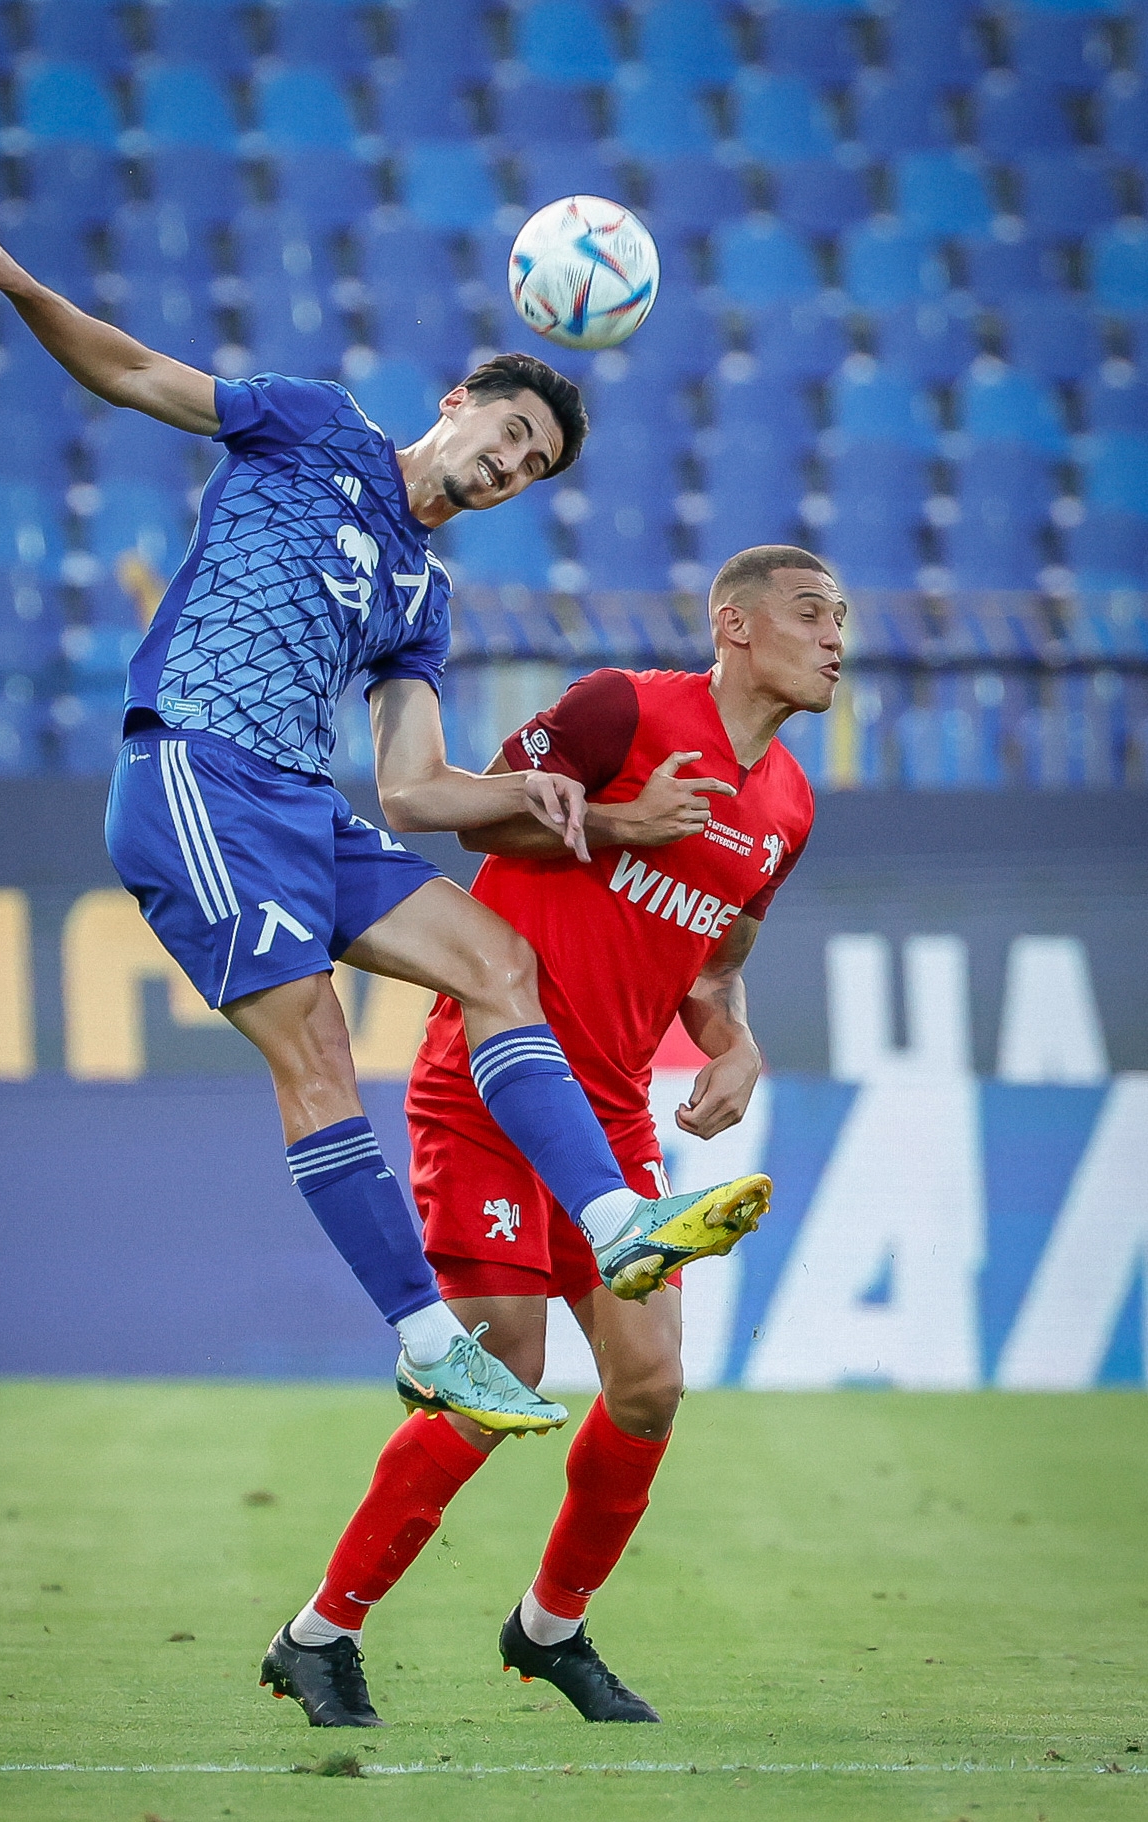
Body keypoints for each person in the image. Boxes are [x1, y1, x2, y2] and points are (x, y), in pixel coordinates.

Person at [0, 180, 763, 1437]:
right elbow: (139, 375)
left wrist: (541, 796)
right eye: (510, 433)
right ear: (457, 403)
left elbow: (416, 789)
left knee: (498, 960)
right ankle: (428, 1341)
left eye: (533, 466)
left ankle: (614, 1222)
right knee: (316, 1047)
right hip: (195, 776)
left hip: (303, 805)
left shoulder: (423, 597)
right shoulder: (315, 426)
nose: (510, 466)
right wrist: (22, 286)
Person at [260, 547, 844, 1727]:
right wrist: (624, 820)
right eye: (812, 612)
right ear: (734, 624)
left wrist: (734, 1042)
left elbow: (715, 961)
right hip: (488, 1081)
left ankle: (549, 1626)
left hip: (613, 1109)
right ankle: (319, 1635)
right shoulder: (621, 707)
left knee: (651, 1383)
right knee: (501, 1373)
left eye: (842, 620)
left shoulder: (789, 805)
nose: (837, 637)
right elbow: (478, 820)